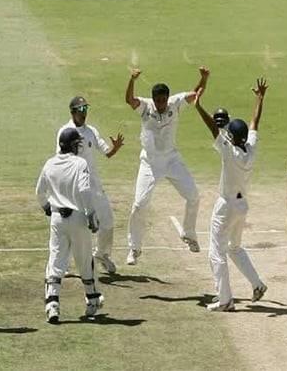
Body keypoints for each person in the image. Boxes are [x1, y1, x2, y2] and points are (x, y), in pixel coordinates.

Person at [193, 77, 269, 311]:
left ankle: (225, 300)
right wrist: (260, 97)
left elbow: (212, 128)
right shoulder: (250, 148)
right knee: (234, 248)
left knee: (216, 252)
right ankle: (257, 284)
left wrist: (198, 106)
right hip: (242, 206)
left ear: (232, 138)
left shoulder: (229, 152)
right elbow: (254, 122)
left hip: (226, 207)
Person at [124, 67, 209, 265]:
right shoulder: (145, 106)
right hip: (150, 162)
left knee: (194, 196)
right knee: (139, 204)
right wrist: (132, 79)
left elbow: (195, 94)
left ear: (167, 97)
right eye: (158, 101)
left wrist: (203, 78)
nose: (162, 104)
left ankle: (189, 233)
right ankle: (134, 248)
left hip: (172, 160)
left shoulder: (175, 103)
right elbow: (129, 99)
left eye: (164, 100)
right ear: (153, 99)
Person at [36, 128, 104, 323]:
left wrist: (47, 208)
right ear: (74, 145)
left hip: (57, 218)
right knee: (84, 260)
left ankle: (52, 305)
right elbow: (84, 190)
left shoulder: (50, 164)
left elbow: (39, 192)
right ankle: (92, 301)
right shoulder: (80, 163)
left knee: (56, 260)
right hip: (78, 219)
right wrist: (91, 214)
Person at [56, 96, 124, 274]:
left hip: (93, 184)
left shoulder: (91, 131)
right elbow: (61, 159)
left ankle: (101, 254)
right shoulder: (65, 131)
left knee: (107, 221)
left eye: (86, 109)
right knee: (72, 226)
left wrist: (115, 148)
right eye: (81, 110)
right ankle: (62, 264)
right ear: (73, 112)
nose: (84, 113)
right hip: (73, 186)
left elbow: (106, 152)